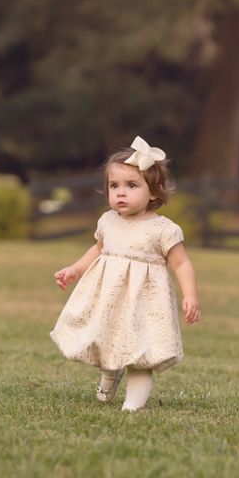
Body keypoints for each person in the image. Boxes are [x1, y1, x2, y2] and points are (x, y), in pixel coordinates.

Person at [50, 136, 201, 411]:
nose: (120, 193)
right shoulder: (108, 221)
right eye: (114, 186)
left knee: (140, 351)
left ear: (154, 192)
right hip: (110, 298)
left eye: (131, 186)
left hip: (145, 302)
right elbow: (97, 249)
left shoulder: (163, 230)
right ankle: (110, 372)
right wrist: (74, 270)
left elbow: (181, 264)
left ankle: (131, 406)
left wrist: (190, 295)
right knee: (109, 339)